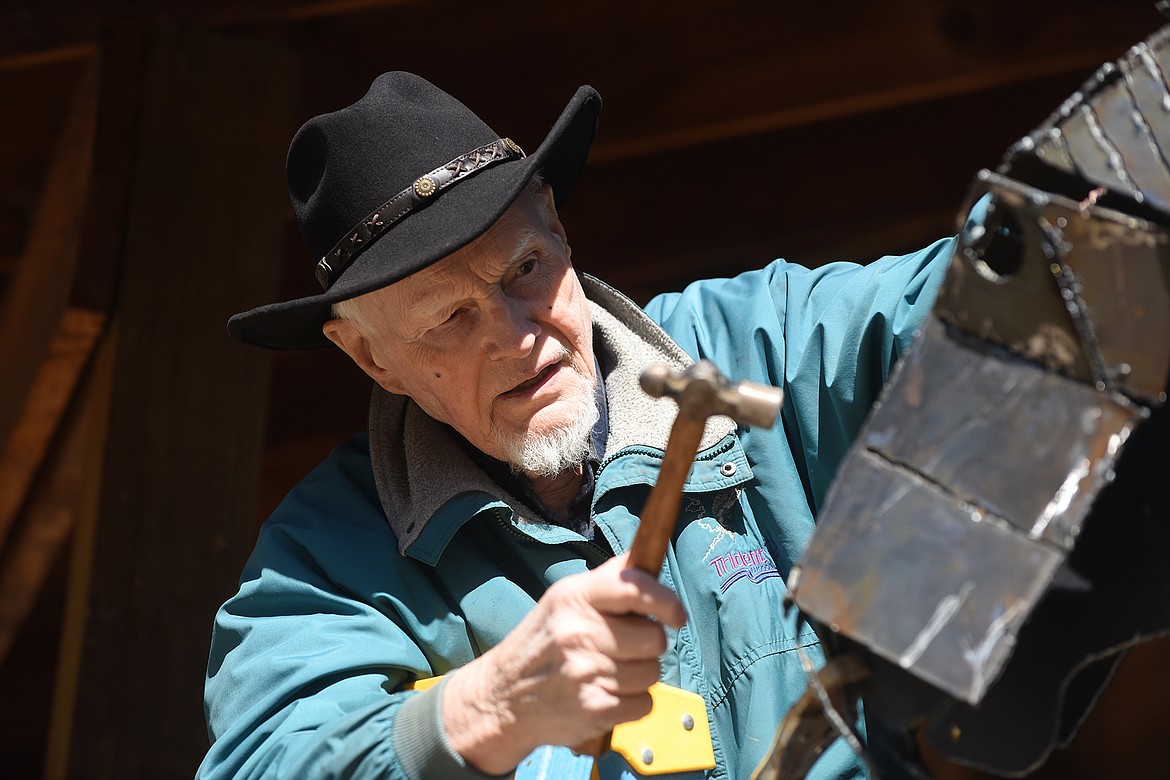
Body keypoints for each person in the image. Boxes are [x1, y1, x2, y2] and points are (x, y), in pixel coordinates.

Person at [199, 72, 961, 779]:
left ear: (557, 228)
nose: (513, 333)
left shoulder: (762, 348)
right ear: (371, 356)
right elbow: (267, 760)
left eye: (524, 269)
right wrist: (488, 707)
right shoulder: (324, 561)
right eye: (450, 317)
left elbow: (989, 289)